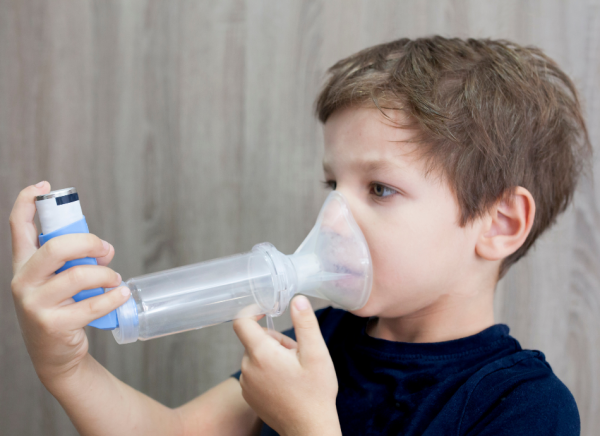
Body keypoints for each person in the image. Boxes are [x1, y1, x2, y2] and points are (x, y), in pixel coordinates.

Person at [10, 36, 590, 435]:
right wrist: (65, 366)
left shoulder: (524, 407)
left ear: (500, 223)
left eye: (380, 189)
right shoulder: (330, 337)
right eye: (333, 184)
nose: (333, 217)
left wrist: (308, 426)